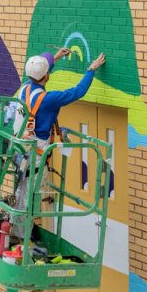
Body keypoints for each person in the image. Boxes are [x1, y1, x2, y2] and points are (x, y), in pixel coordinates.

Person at [10, 47, 106, 211]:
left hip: (20, 149)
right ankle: (20, 232)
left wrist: (56, 57)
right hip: (36, 155)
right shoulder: (48, 99)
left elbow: (40, 73)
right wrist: (91, 69)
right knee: (31, 196)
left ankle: (15, 226)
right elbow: (77, 92)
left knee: (21, 190)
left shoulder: (24, 88)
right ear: (46, 75)